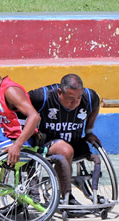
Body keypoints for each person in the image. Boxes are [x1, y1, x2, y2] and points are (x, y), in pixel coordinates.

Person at [29, 74, 102, 202]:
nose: (75, 103)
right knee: (65, 150)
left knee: (77, 150)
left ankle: (84, 189)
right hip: (47, 142)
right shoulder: (42, 97)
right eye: (70, 98)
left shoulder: (90, 97)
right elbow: (21, 106)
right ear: (59, 92)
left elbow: (96, 106)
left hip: (74, 140)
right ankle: (66, 196)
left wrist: (89, 130)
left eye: (78, 98)